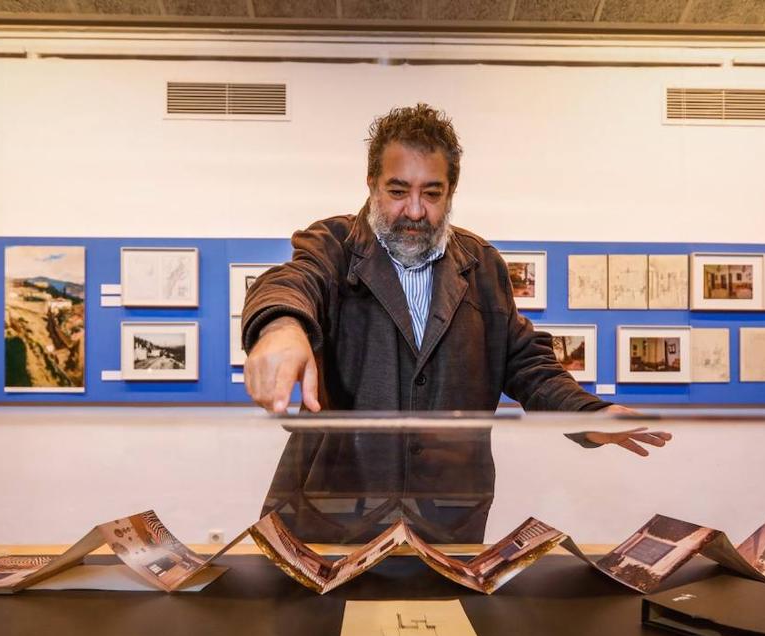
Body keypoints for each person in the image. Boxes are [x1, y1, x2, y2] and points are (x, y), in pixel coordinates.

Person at [242, 104, 669, 457]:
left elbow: (526, 364)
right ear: (372, 185)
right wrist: (282, 328)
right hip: (334, 518)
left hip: (446, 519)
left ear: (451, 192)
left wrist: (586, 412)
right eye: (397, 191)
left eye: (431, 193)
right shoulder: (333, 243)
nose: (413, 210)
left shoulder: (482, 263)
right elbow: (292, 280)